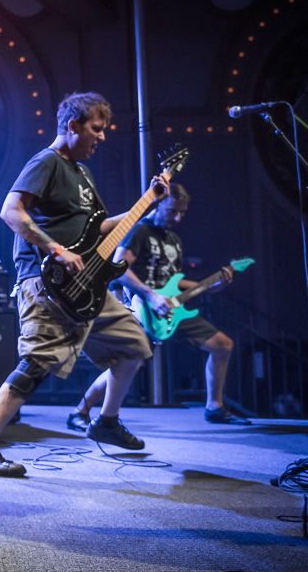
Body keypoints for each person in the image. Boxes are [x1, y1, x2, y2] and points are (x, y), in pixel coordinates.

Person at [0, 91, 168, 478]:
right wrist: (55, 248)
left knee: (134, 347)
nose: (101, 137)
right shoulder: (46, 162)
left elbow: (99, 229)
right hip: (46, 281)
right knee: (36, 364)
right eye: (96, 129)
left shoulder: (83, 173)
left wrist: (146, 205)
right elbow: (10, 210)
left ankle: (106, 421)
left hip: (88, 281)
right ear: (72, 126)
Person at [67, 184, 250, 429]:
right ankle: (81, 411)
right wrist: (151, 295)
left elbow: (174, 280)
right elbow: (118, 270)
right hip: (142, 305)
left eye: (182, 212)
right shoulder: (140, 231)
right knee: (129, 362)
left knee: (223, 345)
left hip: (171, 308)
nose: (177, 217)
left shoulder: (174, 239)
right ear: (159, 204)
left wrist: (210, 285)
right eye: (173, 210)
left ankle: (214, 407)